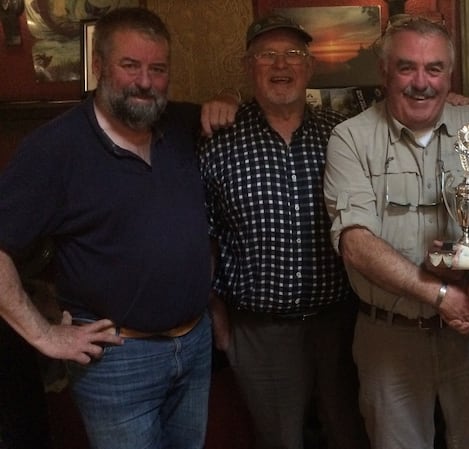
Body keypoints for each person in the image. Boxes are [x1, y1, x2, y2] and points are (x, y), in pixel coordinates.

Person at [0, 7, 213, 449]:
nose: (145, 82)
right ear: (98, 65)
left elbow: (223, 113)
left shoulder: (182, 124)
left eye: (158, 69)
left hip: (195, 344)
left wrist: (224, 102)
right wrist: (45, 336)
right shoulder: (53, 150)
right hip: (117, 361)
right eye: (130, 65)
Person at [323, 14, 469, 449]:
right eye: (407, 67)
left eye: (434, 69)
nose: (421, 82)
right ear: (385, 72)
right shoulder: (349, 139)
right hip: (390, 336)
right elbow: (355, 244)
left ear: (450, 74)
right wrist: (443, 296)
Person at [198, 14, 369, 449]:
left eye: (293, 54)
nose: (281, 65)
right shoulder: (218, 140)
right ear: (247, 66)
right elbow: (204, 235)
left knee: (351, 433)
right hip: (260, 331)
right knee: (280, 441)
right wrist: (215, 308)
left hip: (340, 324)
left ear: (309, 67)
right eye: (267, 55)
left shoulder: (341, 136)